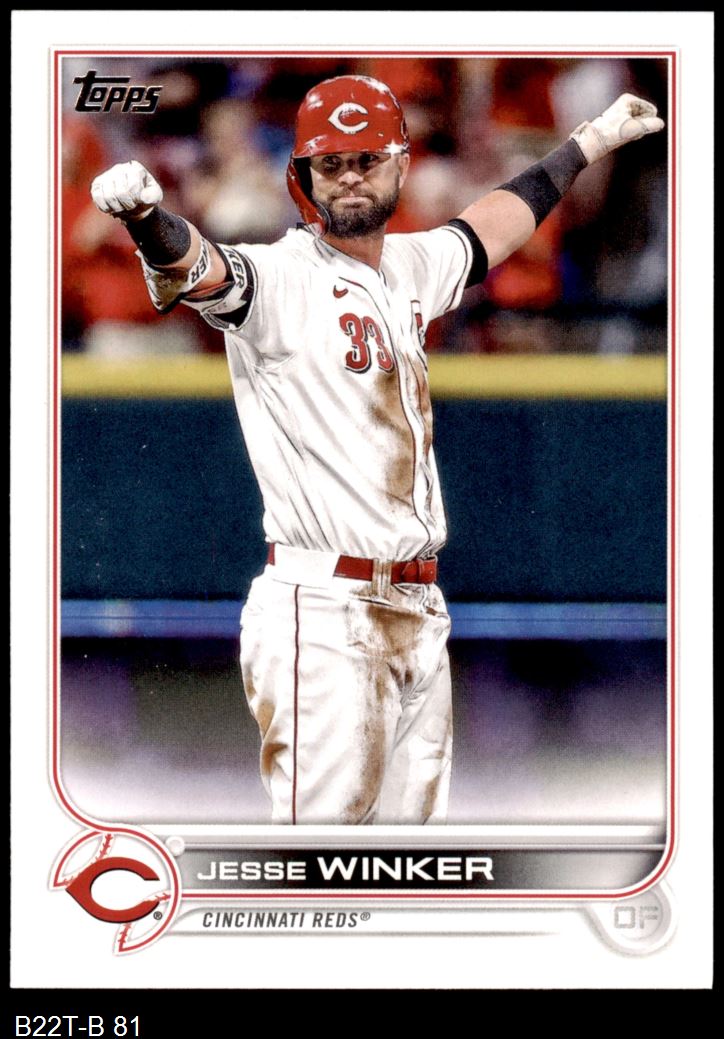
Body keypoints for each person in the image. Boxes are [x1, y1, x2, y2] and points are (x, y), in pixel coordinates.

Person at [90, 75, 664, 825]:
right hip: (326, 609)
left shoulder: (410, 265)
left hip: (417, 606)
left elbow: (489, 226)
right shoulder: (282, 278)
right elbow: (202, 267)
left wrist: (584, 145)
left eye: (366, 159)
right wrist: (146, 220)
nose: (350, 176)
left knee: (404, 867)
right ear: (302, 177)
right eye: (330, 163)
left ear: (400, 165)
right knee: (322, 867)